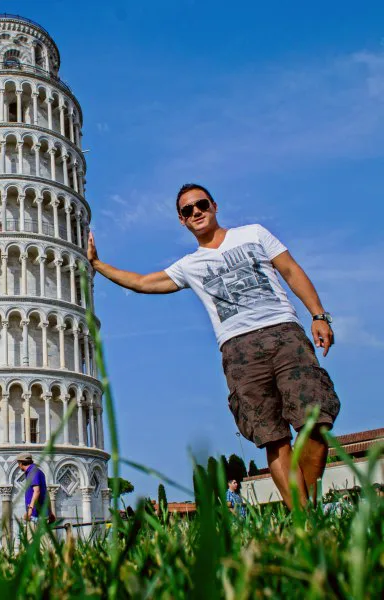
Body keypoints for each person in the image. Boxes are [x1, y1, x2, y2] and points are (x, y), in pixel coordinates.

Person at [88, 183, 340, 509]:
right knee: (273, 437)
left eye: (201, 205)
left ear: (214, 206)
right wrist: (98, 265)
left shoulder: (253, 234)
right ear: (182, 220)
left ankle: (307, 507)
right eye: (187, 210)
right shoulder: (189, 265)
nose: (196, 212)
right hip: (238, 348)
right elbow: (142, 282)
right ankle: (303, 518)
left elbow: (291, 271)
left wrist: (318, 315)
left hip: (283, 333)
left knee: (316, 421)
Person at [17, 453, 55, 544]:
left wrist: (30, 510)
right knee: (44, 544)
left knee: (33, 544)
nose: (18, 466)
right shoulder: (38, 472)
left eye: (18, 463)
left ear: (21, 463)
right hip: (42, 514)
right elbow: (46, 494)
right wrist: (50, 512)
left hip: (36, 516)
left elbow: (37, 491)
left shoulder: (33, 472)